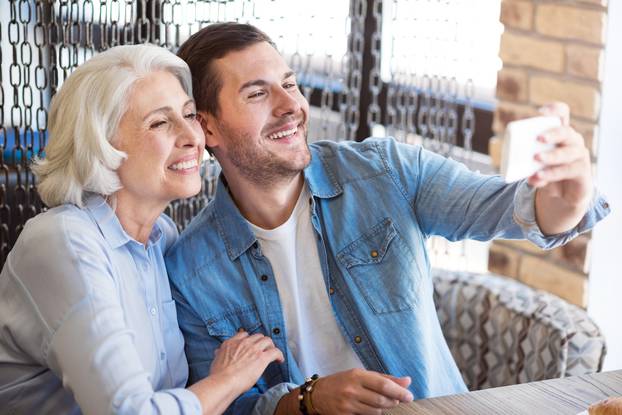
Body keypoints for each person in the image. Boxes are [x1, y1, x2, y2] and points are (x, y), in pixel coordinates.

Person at [165, 22, 610, 415]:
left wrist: (564, 199)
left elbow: (501, 207)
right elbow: (226, 406)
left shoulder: (385, 170)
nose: (289, 106)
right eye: (258, 93)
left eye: (291, 84)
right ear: (208, 129)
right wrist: (308, 401)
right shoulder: (189, 271)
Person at [0, 44, 283, 415]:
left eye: (189, 115)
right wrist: (228, 379)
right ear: (100, 145)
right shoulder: (63, 242)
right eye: (160, 122)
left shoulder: (161, 238)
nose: (193, 137)